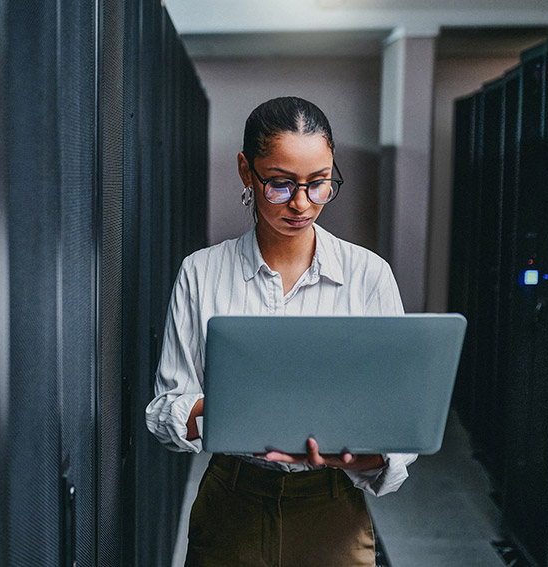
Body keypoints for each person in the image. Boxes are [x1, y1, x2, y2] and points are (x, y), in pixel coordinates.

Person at [145, 96, 418, 567]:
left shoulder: (368, 275)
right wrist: (232, 409)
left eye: (319, 183)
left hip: (332, 505)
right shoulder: (201, 273)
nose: (301, 203)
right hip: (232, 502)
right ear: (246, 171)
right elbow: (166, 410)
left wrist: (357, 457)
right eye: (280, 184)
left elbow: (399, 424)